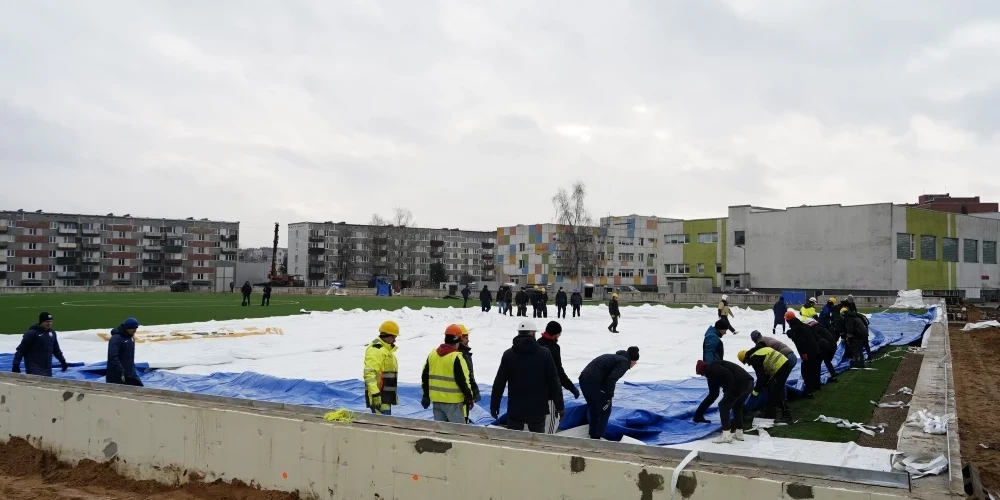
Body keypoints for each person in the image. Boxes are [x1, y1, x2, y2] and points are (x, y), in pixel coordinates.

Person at [490, 320, 564, 433]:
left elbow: (499, 383)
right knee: (537, 442)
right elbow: (554, 382)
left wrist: (494, 405)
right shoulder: (544, 353)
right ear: (533, 334)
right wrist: (560, 406)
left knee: (513, 442)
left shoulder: (508, 354)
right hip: (537, 408)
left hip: (515, 408)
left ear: (518, 333)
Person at [578, 347, 639, 439]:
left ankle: (595, 434)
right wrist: (609, 396)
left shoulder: (616, 357)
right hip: (592, 381)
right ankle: (596, 436)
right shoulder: (624, 362)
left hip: (585, 379)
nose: (635, 364)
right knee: (604, 408)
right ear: (633, 360)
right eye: (636, 361)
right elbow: (611, 379)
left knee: (596, 407)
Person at [421, 325, 474, 423]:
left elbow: (425, 376)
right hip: (454, 403)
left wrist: (426, 395)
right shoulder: (456, 357)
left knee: (441, 433)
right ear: (458, 340)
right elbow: (463, 380)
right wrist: (469, 397)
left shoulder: (432, 354)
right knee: (457, 434)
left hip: (437, 401)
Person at [693, 359, 754, 443]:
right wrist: (728, 391)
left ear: (703, 370)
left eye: (701, 374)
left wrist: (731, 390)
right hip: (748, 382)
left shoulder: (712, 369)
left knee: (723, 406)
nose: (702, 376)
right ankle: (739, 433)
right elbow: (723, 382)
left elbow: (727, 374)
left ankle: (726, 435)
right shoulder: (714, 367)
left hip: (739, 384)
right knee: (737, 407)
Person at [537, 321, 581, 433]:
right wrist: (572, 388)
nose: (559, 337)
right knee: (549, 427)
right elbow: (558, 373)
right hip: (548, 394)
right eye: (559, 334)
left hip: (534, 391)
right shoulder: (553, 348)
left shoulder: (538, 343)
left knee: (536, 425)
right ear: (554, 334)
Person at [738, 346, 793, 423]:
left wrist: (756, 391)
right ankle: (771, 415)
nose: (748, 364)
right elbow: (764, 375)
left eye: (746, 362)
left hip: (780, 367)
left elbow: (761, 377)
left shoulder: (754, 358)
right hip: (783, 364)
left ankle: (785, 416)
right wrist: (763, 384)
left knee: (775, 393)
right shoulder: (757, 352)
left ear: (746, 358)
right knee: (775, 390)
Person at [12, 312, 68, 377]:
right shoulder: (32, 333)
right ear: (41, 321)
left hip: (47, 367)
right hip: (34, 367)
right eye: (47, 321)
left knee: (46, 385)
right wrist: (16, 364)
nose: (49, 323)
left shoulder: (52, 333)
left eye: (50, 321)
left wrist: (62, 361)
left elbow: (56, 349)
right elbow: (21, 350)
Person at [363, 320, 400, 415]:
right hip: (379, 396)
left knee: (384, 424)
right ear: (385, 335)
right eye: (393, 337)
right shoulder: (376, 350)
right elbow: (369, 373)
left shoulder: (385, 349)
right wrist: (375, 394)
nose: (395, 340)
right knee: (383, 425)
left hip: (385, 396)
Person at [784, 311, 821, 395]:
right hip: (816, 349)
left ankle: (809, 391)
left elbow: (800, 342)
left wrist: (803, 353)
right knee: (814, 369)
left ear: (788, 320)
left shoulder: (796, 329)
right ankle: (816, 386)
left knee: (805, 372)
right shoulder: (804, 325)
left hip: (807, 352)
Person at [107, 318, 143, 386]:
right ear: (127, 328)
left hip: (130, 372)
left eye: (136, 328)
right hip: (118, 374)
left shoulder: (131, 337)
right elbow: (113, 357)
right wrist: (121, 371)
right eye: (132, 328)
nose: (135, 330)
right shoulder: (116, 339)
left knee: (140, 389)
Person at [456, 324, 481, 420]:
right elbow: (468, 377)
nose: (468, 340)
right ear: (459, 338)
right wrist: (473, 394)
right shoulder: (462, 355)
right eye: (466, 338)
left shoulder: (458, 353)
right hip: (461, 398)